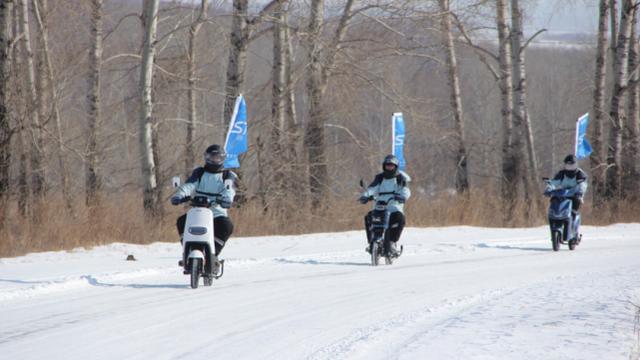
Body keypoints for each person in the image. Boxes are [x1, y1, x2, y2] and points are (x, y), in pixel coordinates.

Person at [170, 144, 237, 256]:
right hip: (198, 211)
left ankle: (213, 253)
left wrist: (227, 199)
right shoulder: (199, 172)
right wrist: (179, 195)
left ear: (223, 159)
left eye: (217, 158)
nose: (214, 160)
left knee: (227, 226)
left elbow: (229, 190)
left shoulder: (228, 175)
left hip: (217, 212)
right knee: (181, 221)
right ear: (206, 158)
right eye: (211, 157)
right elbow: (189, 185)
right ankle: (187, 249)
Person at [359, 154, 411, 255]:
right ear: (384, 166)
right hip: (380, 206)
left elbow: (406, 190)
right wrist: (365, 196)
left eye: (391, 165)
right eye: (387, 165)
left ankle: (392, 242)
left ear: (395, 167)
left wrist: (403, 197)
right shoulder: (379, 178)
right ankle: (372, 243)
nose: (389, 167)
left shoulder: (400, 178)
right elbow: (372, 189)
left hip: (394, 207)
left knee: (400, 219)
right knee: (369, 217)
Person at [545, 154, 588, 219]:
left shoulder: (580, 174)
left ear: (576, 165)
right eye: (568, 166)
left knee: (576, 201)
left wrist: (580, 192)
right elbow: (554, 182)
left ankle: (572, 218)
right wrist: (549, 189)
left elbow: (582, 184)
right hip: (562, 195)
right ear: (565, 165)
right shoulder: (561, 173)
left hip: (575, 195)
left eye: (572, 166)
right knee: (554, 199)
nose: (570, 168)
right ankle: (553, 216)